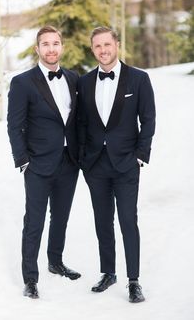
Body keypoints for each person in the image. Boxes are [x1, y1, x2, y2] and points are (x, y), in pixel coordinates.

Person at [77, 26, 156, 303]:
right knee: (102, 222)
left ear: (117, 45)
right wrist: (84, 160)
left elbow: (148, 119)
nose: (103, 50)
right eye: (97, 46)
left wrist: (140, 154)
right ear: (92, 49)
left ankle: (133, 280)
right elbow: (81, 123)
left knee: (127, 221)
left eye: (107, 44)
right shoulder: (84, 83)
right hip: (96, 166)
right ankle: (108, 272)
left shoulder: (139, 79)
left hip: (126, 164)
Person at [7, 25, 81, 299]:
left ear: (62, 47)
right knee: (34, 221)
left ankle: (56, 261)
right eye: (46, 44)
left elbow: (78, 121)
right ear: (37, 49)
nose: (51, 49)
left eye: (56, 43)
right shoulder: (22, 82)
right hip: (37, 163)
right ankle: (30, 278)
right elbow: (14, 125)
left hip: (69, 161)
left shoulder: (74, 78)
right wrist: (23, 160)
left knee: (60, 216)